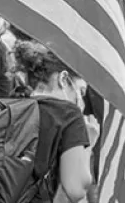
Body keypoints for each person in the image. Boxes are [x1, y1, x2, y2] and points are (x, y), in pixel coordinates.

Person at [14, 40, 96, 203]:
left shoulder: (11, 104)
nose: (82, 102)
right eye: (81, 91)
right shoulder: (68, 114)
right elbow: (76, 189)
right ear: (64, 79)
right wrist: (88, 144)